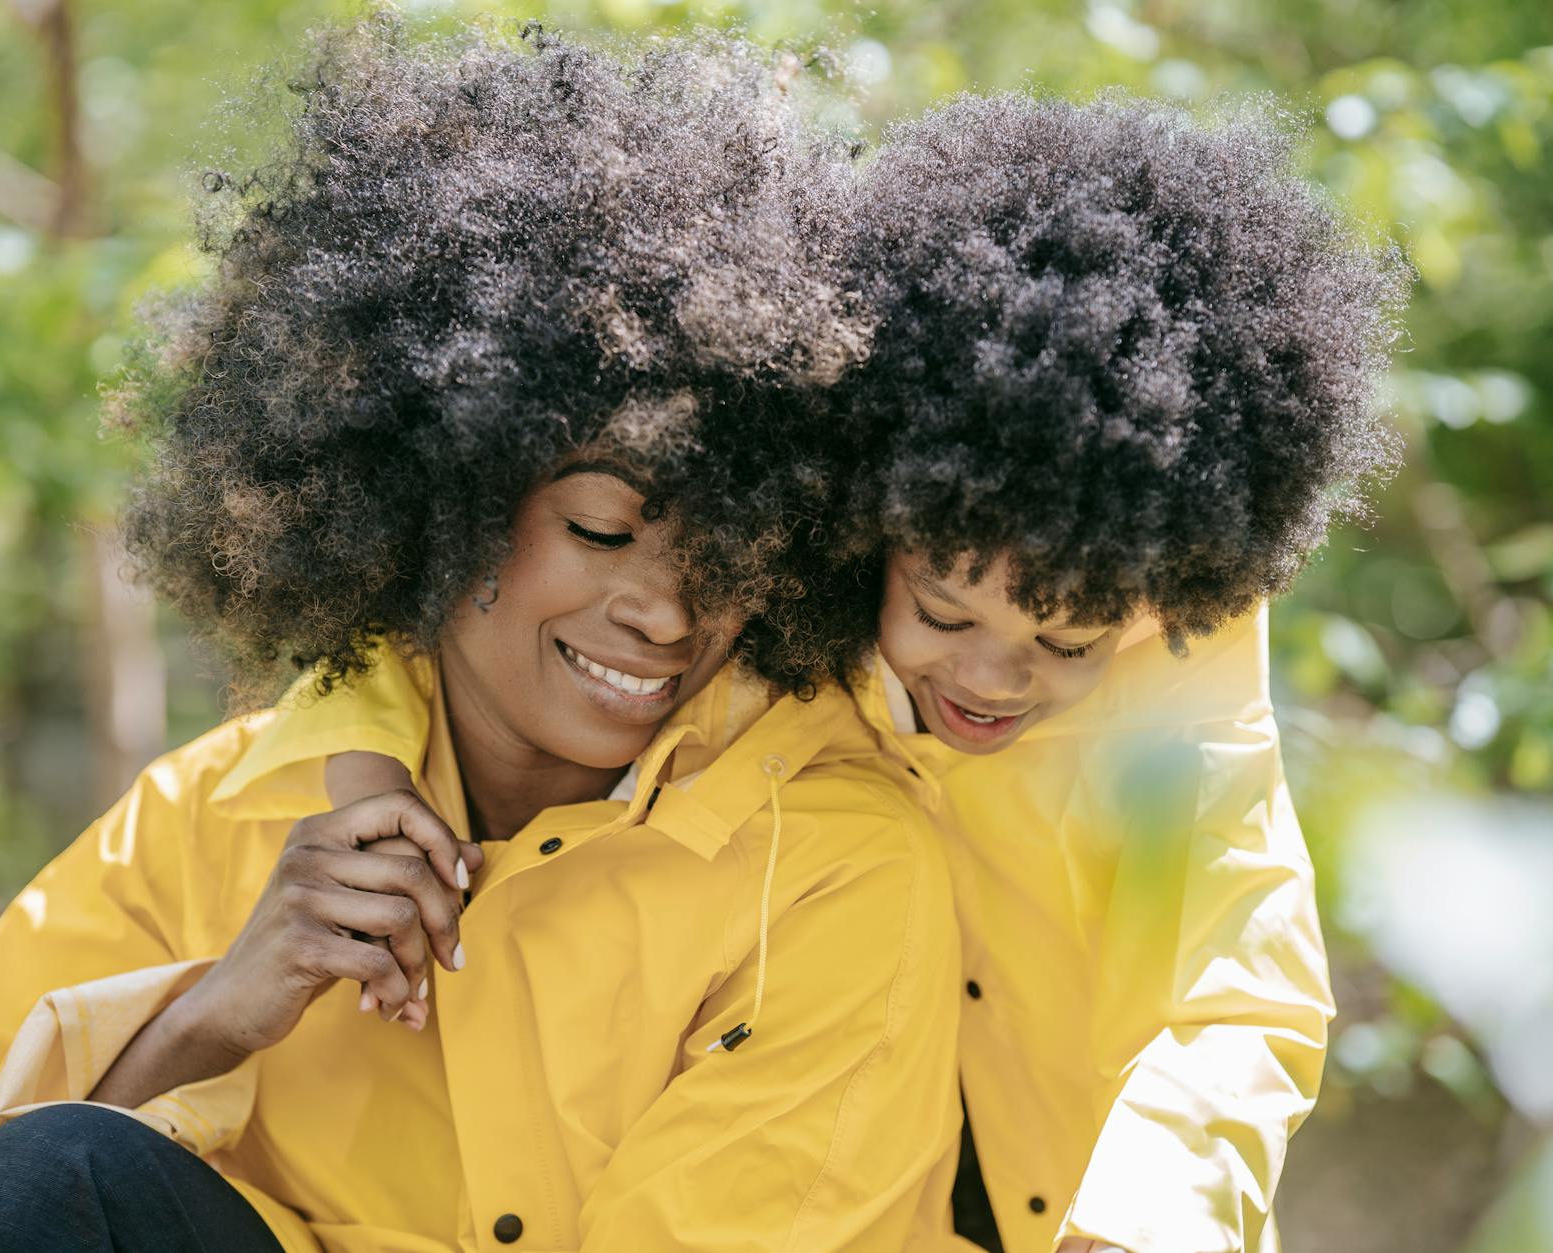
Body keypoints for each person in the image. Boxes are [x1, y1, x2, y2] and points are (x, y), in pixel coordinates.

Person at [0, 22, 965, 1251]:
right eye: (601, 529)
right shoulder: (199, 822)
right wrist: (212, 1018)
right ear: (440, 493)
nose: (665, 610)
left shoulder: (831, 865)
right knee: (51, 1166)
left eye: (726, 553)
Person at [313, 91, 1410, 1253]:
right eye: (942, 608)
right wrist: (361, 758)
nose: (992, 677)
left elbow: (1245, 966)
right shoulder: (769, 571)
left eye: (1067, 643)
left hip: (1075, 1191)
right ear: (874, 513)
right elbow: (422, 610)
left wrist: (1157, 1214)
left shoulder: (1181, 647)